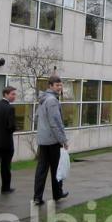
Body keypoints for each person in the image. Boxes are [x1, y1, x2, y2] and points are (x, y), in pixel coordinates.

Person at [33, 75, 69, 205]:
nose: (59, 87)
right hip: (52, 140)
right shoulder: (52, 100)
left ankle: (37, 197)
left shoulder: (43, 99)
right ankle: (57, 194)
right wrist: (63, 140)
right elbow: (55, 122)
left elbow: (37, 117)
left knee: (41, 169)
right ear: (50, 86)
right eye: (57, 85)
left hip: (43, 139)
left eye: (60, 85)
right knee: (56, 168)